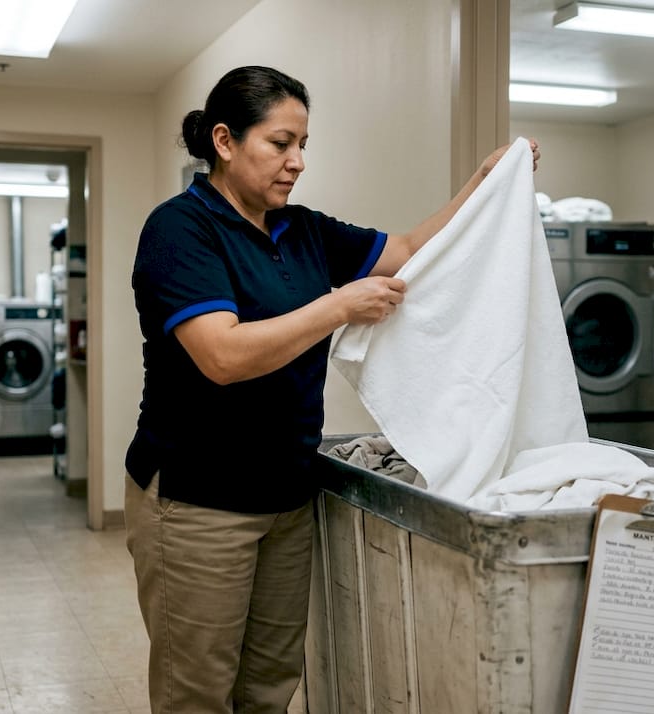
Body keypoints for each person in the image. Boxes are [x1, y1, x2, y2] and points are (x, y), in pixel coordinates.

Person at [125, 65, 540, 714]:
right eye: (280, 143)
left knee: (269, 684)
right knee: (197, 693)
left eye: (304, 146)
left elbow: (403, 250)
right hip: (197, 500)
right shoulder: (181, 230)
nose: (297, 162)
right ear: (226, 142)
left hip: (287, 495)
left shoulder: (303, 229)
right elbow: (222, 356)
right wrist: (338, 306)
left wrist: (484, 186)